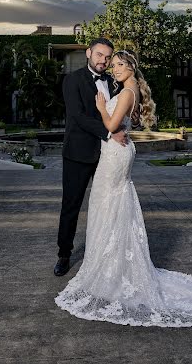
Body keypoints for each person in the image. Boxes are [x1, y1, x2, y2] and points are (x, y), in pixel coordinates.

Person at [55, 50, 192, 327]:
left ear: (131, 67)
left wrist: (102, 106)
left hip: (114, 153)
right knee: (110, 206)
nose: (113, 68)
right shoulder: (126, 89)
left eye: (118, 64)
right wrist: (109, 117)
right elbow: (116, 121)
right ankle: (91, 260)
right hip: (112, 151)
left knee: (107, 206)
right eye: (111, 63)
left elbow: (111, 124)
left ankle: (110, 270)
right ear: (90, 54)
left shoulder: (126, 92)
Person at [54, 37, 128, 277]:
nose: (103, 61)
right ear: (88, 53)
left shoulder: (113, 81)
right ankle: (64, 255)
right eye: (99, 55)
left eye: (108, 57)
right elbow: (77, 116)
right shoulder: (72, 80)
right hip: (78, 153)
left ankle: (106, 255)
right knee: (71, 206)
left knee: (107, 206)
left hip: (108, 156)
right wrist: (111, 132)